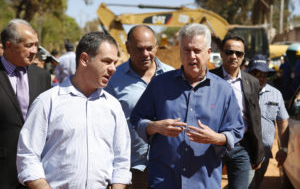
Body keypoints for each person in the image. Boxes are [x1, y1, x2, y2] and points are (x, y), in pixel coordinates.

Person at [130, 23, 244, 189]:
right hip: (164, 181)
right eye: (186, 50)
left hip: (204, 182)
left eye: (197, 51)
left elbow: (236, 130)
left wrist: (216, 138)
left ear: (208, 53)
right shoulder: (159, 84)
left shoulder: (223, 90)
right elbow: (137, 118)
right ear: (180, 52)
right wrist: (154, 126)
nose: (191, 56)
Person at [17, 32, 131, 189]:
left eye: (115, 63)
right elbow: (28, 156)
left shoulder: (113, 106)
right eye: (106, 61)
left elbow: (122, 159)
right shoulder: (47, 102)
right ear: (84, 59)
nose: (113, 69)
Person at [105, 25, 173, 189]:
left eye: (149, 48)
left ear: (156, 47)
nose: (145, 54)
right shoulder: (113, 79)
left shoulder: (172, 76)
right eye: (139, 49)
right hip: (130, 169)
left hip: (166, 168)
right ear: (127, 47)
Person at [0, 19, 51, 189]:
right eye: (29, 45)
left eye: (36, 45)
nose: (34, 51)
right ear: (9, 45)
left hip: (37, 172)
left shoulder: (42, 76)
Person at [210, 35, 265, 189]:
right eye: (229, 52)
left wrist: (257, 151)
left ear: (243, 56)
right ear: (221, 54)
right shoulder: (209, 78)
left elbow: (255, 118)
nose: (234, 56)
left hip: (241, 145)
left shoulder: (252, 82)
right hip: (212, 146)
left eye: (238, 53)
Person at [246, 54, 289, 189]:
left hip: (264, 153)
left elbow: (283, 122)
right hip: (244, 151)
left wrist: (283, 148)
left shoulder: (276, 94)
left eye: (264, 75)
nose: (261, 78)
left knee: (255, 184)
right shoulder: (240, 91)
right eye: (256, 74)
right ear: (249, 74)